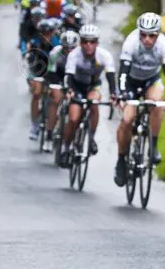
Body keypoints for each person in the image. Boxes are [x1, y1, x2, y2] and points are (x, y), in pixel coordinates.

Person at [113, 13, 165, 186]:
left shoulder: (163, 45)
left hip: (151, 80)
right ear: (139, 32)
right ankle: (121, 160)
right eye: (143, 34)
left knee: (156, 104)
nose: (147, 39)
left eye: (152, 35)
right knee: (127, 120)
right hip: (130, 81)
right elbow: (122, 72)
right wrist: (122, 93)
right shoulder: (131, 43)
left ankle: (153, 147)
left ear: (158, 34)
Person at [61, 24, 117, 164]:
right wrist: (69, 91)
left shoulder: (104, 55)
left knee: (94, 103)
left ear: (97, 43)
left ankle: (91, 138)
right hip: (76, 86)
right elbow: (68, 76)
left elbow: (110, 78)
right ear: (80, 43)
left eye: (92, 42)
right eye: (85, 41)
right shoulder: (74, 55)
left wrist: (113, 95)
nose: (88, 45)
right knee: (73, 119)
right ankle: (65, 147)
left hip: (93, 86)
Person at [25, 18, 61, 141]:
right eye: (43, 33)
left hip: (53, 72)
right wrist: (31, 78)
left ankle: (53, 123)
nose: (46, 35)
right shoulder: (34, 43)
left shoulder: (57, 44)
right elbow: (30, 63)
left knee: (56, 97)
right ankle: (34, 124)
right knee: (36, 93)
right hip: (38, 71)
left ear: (52, 32)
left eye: (48, 32)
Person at [45, 29, 81, 141]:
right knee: (55, 100)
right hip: (58, 77)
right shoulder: (55, 53)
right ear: (62, 46)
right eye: (66, 48)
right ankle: (49, 133)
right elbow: (51, 73)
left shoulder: (81, 54)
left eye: (72, 48)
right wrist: (56, 87)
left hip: (74, 79)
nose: (69, 51)